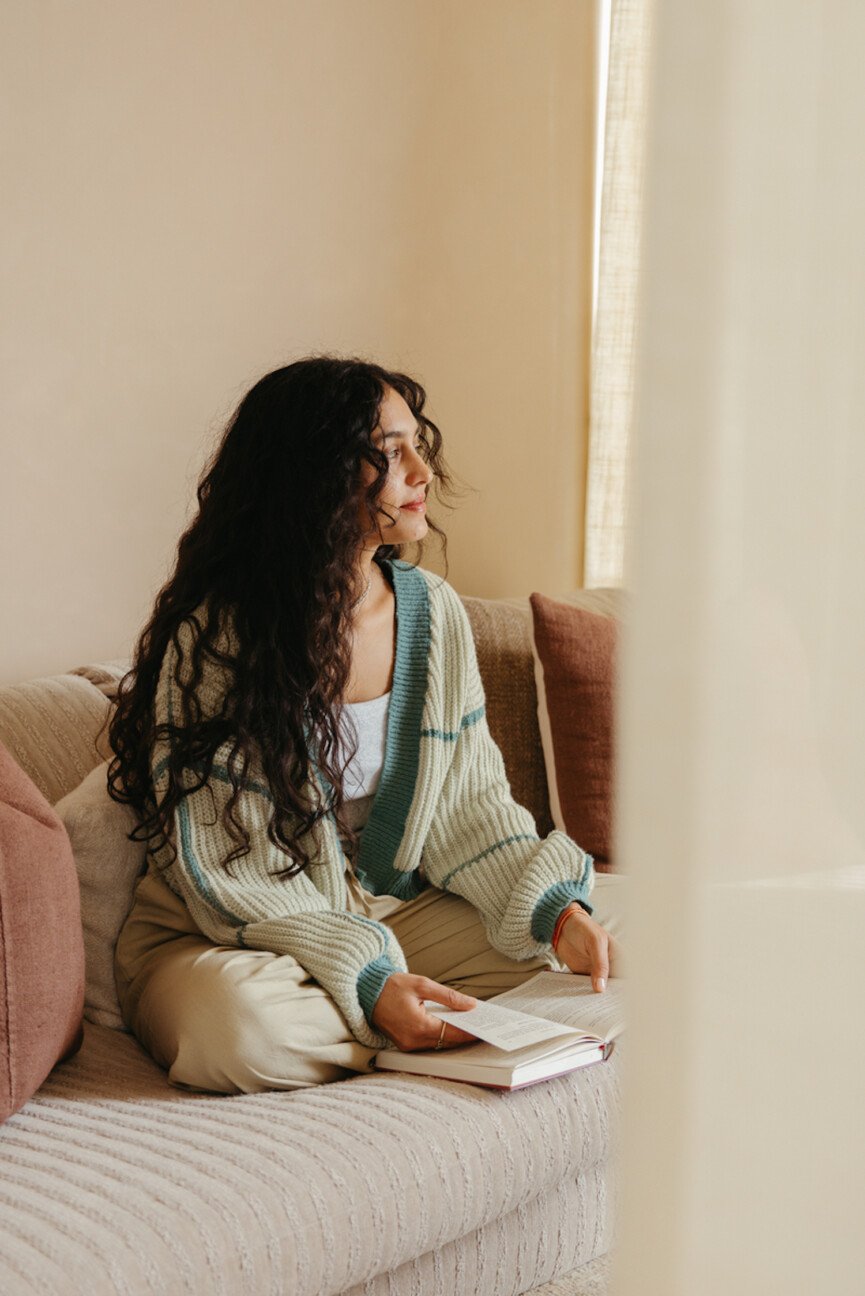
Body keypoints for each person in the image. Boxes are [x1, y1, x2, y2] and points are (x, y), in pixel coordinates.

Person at [108, 356, 619, 1093]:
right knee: (239, 1031)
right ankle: (398, 1020)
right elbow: (232, 872)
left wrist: (552, 910)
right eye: (387, 451)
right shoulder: (218, 638)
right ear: (311, 474)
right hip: (227, 935)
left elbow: (469, 810)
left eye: (417, 444)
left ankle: (399, 1015)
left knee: (617, 943)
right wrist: (371, 982)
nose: (421, 472)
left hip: (387, 917)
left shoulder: (435, 612)